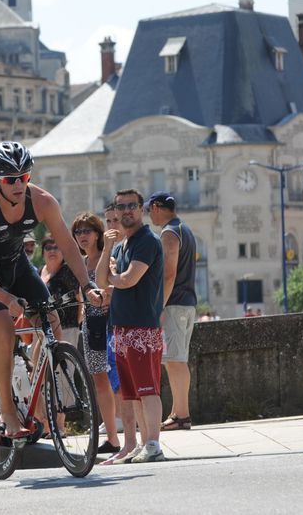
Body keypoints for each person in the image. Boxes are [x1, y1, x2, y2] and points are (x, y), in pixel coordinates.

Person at [0, 141, 96, 438]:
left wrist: (87, 284)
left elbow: (67, 244)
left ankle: (36, 390)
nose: (19, 184)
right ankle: (8, 412)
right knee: (6, 332)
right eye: (11, 179)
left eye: (24, 177)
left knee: (52, 323)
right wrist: (7, 299)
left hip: (16, 264)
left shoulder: (43, 201)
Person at [90, 189, 165, 463]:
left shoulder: (147, 241)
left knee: (148, 390)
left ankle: (153, 443)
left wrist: (112, 278)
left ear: (142, 209)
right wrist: (108, 248)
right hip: (121, 329)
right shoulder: (122, 246)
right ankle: (141, 445)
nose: (126, 211)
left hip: (142, 328)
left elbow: (129, 279)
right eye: (121, 207)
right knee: (132, 394)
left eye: (132, 205)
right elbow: (101, 281)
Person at [146, 191, 198, 431]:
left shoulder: (169, 232)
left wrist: (159, 306)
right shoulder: (185, 229)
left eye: (149, 209)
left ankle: (182, 416)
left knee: (175, 361)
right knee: (178, 360)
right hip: (187, 302)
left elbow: (168, 273)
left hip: (174, 303)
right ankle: (178, 412)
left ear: (157, 207)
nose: (149, 215)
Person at [72, 212, 120, 453]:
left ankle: (116, 436)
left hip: (108, 324)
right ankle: (111, 436)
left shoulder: (106, 257)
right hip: (91, 325)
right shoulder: (81, 263)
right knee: (99, 380)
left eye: (87, 231)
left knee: (115, 381)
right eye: (78, 232)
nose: (82, 236)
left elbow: (109, 289)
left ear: (98, 233)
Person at [39, 236, 82, 345]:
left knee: (64, 362)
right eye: (48, 248)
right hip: (42, 329)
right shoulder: (39, 272)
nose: (52, 251)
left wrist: (75, 325)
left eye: (56, 247)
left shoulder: (67, 271)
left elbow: (81, 301)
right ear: (43, 253)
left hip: (66, 329)